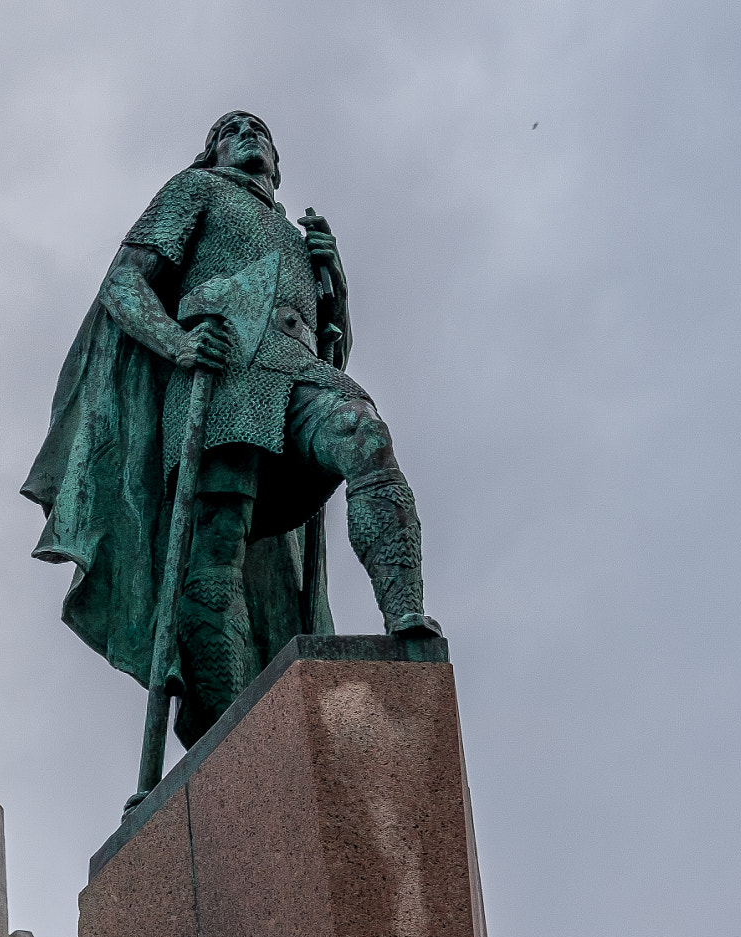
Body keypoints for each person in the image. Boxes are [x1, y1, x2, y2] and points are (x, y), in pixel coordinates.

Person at [22, 111, 441, 747]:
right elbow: (125, 281)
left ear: (277, 159)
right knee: (215, 545)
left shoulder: (303, 238)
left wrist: (338, 290)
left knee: (365, 437)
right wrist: (178, 342)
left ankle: (406, 617)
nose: (247, 136)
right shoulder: (196, 190)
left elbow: (334, 350)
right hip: (221, 379)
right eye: (230, 130)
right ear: (213, 151)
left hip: (293, 368)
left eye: (259, 130)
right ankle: (232, 731)